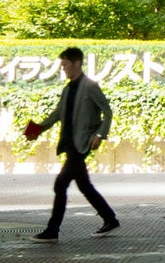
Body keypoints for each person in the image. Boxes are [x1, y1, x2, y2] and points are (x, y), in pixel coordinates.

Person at [25, 47, 119, 239]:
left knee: (60, 185)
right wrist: (38, 129)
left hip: (81, 144)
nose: (64, 69)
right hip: (69, 145)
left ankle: (53, 230)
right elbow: (58, 114)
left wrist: (100, 134)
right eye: (62, 65)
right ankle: (110, 219)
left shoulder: (90, 86)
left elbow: (107, 112)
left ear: (77, 63)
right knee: (84, 186)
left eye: (66, 64)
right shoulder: (67, 89)